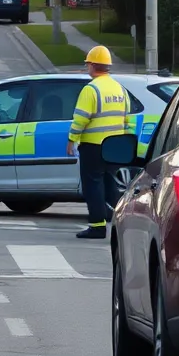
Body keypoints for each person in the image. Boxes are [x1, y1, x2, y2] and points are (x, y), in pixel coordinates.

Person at [65, 45, 129, 240]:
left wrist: (71, 140)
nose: (87, 68)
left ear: (93, 65)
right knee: (111, 186)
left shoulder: (91, 89)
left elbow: (81, 119)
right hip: (114, 146)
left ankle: (97, 227)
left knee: (93, 185)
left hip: (93, 146)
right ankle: (125, 222)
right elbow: (126, 119)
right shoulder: (119, 88)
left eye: (87, 64)